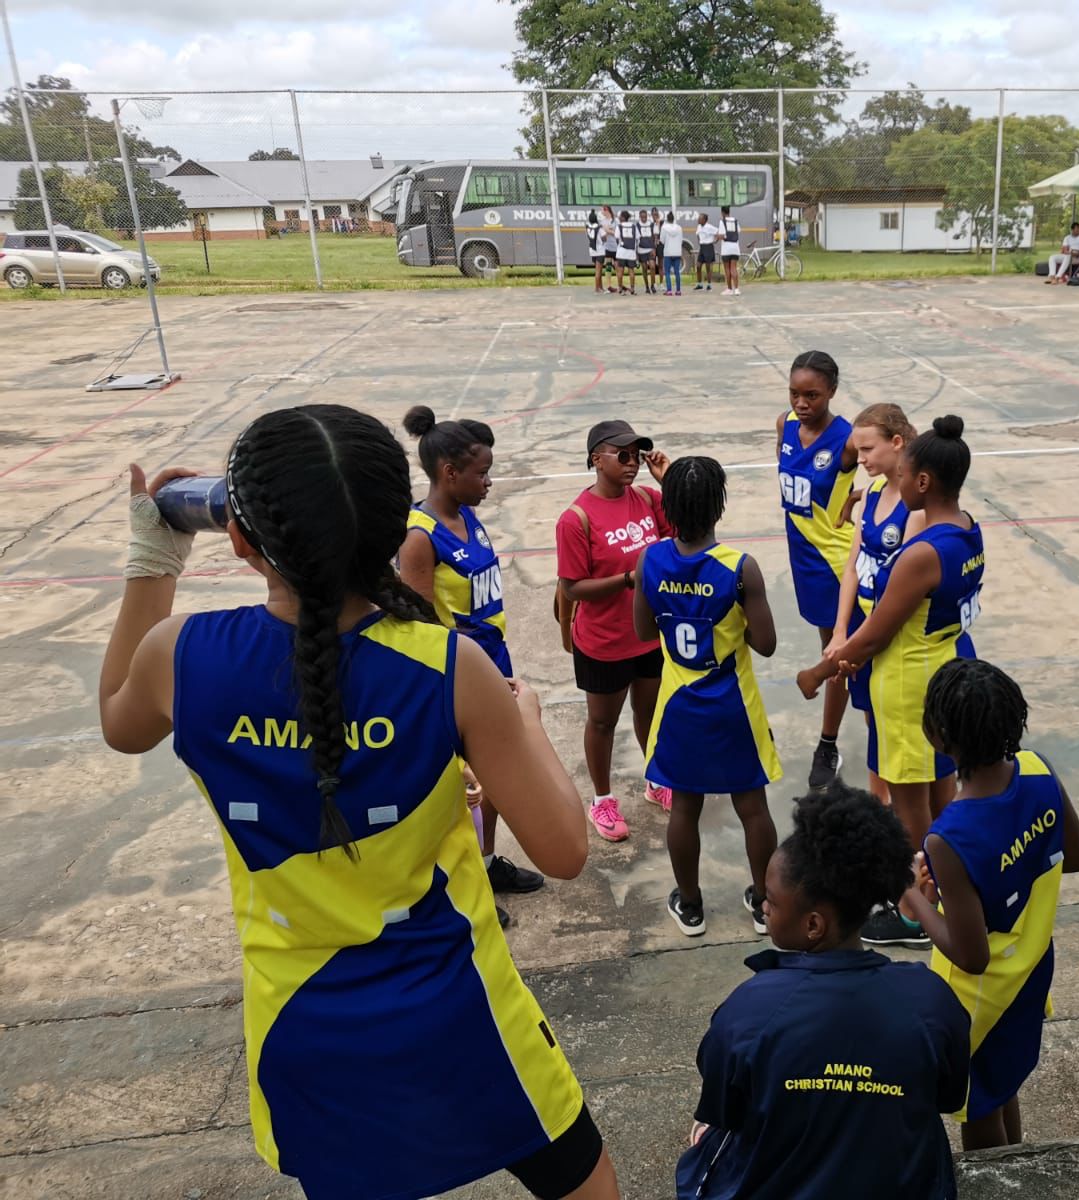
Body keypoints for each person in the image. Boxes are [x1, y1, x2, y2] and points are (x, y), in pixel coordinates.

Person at [98, 405, 619, 1200]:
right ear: (392, 532)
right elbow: (565, 851)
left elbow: (118, 722)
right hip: (459, 1007)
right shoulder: (450, 666)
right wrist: (527, 726)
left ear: (238, 539)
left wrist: (153, 557)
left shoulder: (182, 656)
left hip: (301, 1024)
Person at [676, 784, 971, 1200]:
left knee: (713, 1136)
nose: (763, 907)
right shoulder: (930, 1001)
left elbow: (724, 1107)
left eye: (770, 901)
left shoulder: (750, 1012)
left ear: (813, 925)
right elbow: (946, 1097)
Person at [798, 414, 983, 948]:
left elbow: (875, 635)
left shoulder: (921, 554)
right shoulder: (967, 528)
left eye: (903, 474)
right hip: (944, 666)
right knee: (941, 789)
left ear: (923, 481)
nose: (893, 481)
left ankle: (915, 911)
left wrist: (817, 673)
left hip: (907, 681)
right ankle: (955, 886)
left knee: (908, 807)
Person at [900, 658, 1079, 1151]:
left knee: (979, 1104)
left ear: (937, 736)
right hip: (1031, 971)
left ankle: (1002, 1181)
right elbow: (1075, 858)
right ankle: (1017, 1167)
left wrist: (912, 895)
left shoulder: (949, 836)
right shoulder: (1040, 770)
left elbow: (971, 955)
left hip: (980, 999)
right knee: (1004, 1084)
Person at [396, 406, 544, 931]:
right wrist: (457, 676)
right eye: (482, 473)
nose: (489, 482)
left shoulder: (467, 515)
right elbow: (419, 627)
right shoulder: (419, 537)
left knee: (494, 775)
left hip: (492, 662)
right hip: (455, 676)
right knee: (462, 787)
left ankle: (485, 862)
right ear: (449, 472)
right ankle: (462, 886)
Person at [633, 456, 782, 937]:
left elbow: (642, 630)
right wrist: (730, 622)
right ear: (719, 508)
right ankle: (763, 903)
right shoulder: (739, 568)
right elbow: (766, 644)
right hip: (732, 705)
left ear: (669, 509)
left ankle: (691, 904)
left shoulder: (650, 560)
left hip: (680, 705)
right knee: (753, 807)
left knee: (684, 807)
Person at [556, 420, 675, 842]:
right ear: (596, 459)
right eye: (622, 455)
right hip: (604, 642)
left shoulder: (648, 498)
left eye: (637, 455)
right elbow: (573, 587)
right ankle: (602, 800)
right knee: (603, 722)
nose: (632, 463)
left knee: (650, 713)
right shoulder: (575, 519)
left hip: (648, 634)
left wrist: (668, 482)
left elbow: (680, 537)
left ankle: (656, 779)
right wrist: (628, 579)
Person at [828, 403, 921, 804]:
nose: (860, 458)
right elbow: (852, 568)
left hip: (890, 634)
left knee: (898, 724)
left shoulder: (916, 509)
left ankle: (903, 806)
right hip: (862, 625)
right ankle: (879, 800)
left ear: (897, 442)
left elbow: (903, 592)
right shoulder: (869, 496)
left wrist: (859, 642)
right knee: (873, 722)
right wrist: (840, 631)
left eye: (867, 449)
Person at [776, 350, 859, 792]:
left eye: (812, 395)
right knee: (834, 649)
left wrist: (864, 495)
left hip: (836, 562)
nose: (801, 403)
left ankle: (829, 743)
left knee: (843, 655)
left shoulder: (847, 439)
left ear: (832, 392)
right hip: (803, 558)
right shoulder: (785, 426)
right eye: (795, 393)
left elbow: (903, 454)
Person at [717, 204, 742, 295]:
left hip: (726, 249)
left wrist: (717, 236)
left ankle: (729, 289)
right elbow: (738, 231)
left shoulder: (722, 222)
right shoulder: (736, 221)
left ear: (722, 212)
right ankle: (737, 289)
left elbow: (722, 235)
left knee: (727, 269)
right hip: (735, 248)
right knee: (734, 268)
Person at [659, 210, 685, 296]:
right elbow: (681, 240)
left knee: (667, 272)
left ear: (667, 219)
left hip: (668, 252)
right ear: (673, 219)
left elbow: (662, 241)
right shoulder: (679, 228)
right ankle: (678, 290)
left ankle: (669, 290)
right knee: (677, 272)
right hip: (677, 252)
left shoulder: (664, 228)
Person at [616, 210, 639, 295]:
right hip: (631, 253)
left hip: (621, 252)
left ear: (623, 217)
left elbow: (616, 237)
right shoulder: (634, 226)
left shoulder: (619, 226)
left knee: (620, 271)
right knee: (631, 271)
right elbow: (637, 238)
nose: (619, 218)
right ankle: (632, 289)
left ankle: (620, 289)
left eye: (620, 216)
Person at [694, 212, 717, 292]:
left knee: (708, 266)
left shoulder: (709, 227)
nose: (698, 219)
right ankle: (700, 284)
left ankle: (709, 285)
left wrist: (715, 240)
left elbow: (718, 232)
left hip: (708, 247)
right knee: (698, 266)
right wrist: (699, 241)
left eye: (700, 218)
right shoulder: (699, 226)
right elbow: (697, 234)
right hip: (702, 247)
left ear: (704, 220)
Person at [638, 208, 658, 295]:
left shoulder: (652, 224)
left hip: (650, 249)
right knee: (644, 269)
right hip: (641, 250)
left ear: (647, 216)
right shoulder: (637, 225)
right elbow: (636, 240)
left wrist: (654, 248)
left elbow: (655, 237)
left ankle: (652, 285)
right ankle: (646, 286)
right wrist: (636, 253)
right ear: (640, 217)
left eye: (645, 217)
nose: (644, 219)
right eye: (642, 217)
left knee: (652, 267)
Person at [587, 210, 608, 294]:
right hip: (600, 251)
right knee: (598, 271)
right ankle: (596, 288)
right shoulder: (599, 228)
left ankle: (600, 287)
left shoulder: (588, 227)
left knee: (598, 270)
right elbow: (604, 238)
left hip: (592, 251)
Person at [600, 205, 619, 293]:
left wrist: (609, 231)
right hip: (607, 247)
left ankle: (620, 285)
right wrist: (607, 231)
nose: (601, 212)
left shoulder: (615, 221)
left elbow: (617, 233)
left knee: (617, 266)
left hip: (615, 247)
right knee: (608, 267)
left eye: (602, 210)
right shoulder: (603, 221)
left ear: (606, 210)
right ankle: (608, 286)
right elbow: (603, 234)